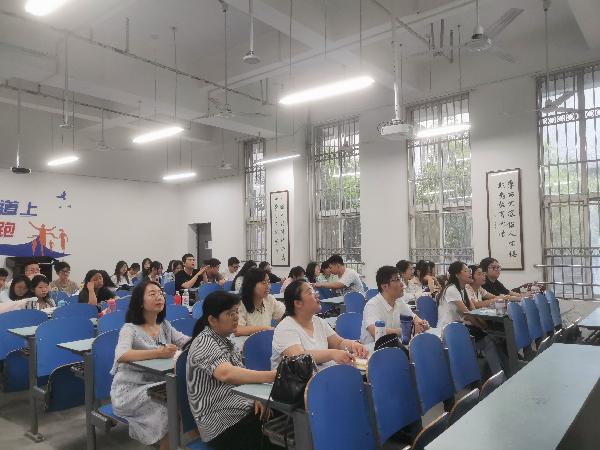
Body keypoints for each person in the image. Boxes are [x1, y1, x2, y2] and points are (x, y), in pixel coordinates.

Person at [186, 290, 277, 449]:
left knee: (282, 420)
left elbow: (242, 375)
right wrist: (272, 376)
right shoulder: (204, 342)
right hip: (220, 423)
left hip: (239, 411)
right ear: (212, 320)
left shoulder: (226, 341)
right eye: (230, 313)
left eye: (236, 311)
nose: (236, 317)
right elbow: (226, 373)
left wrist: (256, 397)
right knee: (278, 432)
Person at [110, 280, 189, 450]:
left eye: (160, 293)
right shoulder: (129, 328)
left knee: (186, 399)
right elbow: (121, 355)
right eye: (152, 294)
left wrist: (208, 341)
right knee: (169, 409)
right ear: (140, 302)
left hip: (158, 383)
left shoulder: (164, 325)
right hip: (131, 389)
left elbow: (186, 342)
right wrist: (158, 353)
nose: (159, 297)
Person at [271, 280, 368, 370]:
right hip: (295, 381)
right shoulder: (285, 327)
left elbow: (338, 343)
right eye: (310, 292)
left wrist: (353, 345)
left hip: (321, 375)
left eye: (314, 291)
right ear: (298, 303)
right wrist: (332, 354)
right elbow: (299, 357)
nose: (317, 294)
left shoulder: (319, 321)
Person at [437, 261, 505, 375]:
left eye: (469, 270)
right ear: (457, 275)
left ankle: (500, 372)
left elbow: (472, 311)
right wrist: (484, 327)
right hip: (450, 330)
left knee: (492, 339)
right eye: (466, 270)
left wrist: (483, 326)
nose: (470, 273)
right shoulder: (452, 289)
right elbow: (467, 315)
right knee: (489, 341)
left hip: (461, 327)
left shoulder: (463, 289)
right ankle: (499, 376)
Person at [360, 266, 429, 344]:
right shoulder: (372, 305)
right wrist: (405, 331)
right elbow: (376, 332)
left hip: (393, 346)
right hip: (372, 349)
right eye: (397, 280)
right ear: (385, 286)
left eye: (401, 279)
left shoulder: (398, 301)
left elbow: (414, 318)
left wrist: (423, 324)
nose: (402, 284)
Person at [235, 269, 285, 336]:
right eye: (263, 283)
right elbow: (238, 330)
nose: (268, 286)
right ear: (251, 285)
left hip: (264, 339)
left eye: (269, 282)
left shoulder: (269, 299)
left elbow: (285, 315)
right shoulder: (240, 304)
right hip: (246, 341)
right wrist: (265, 329)